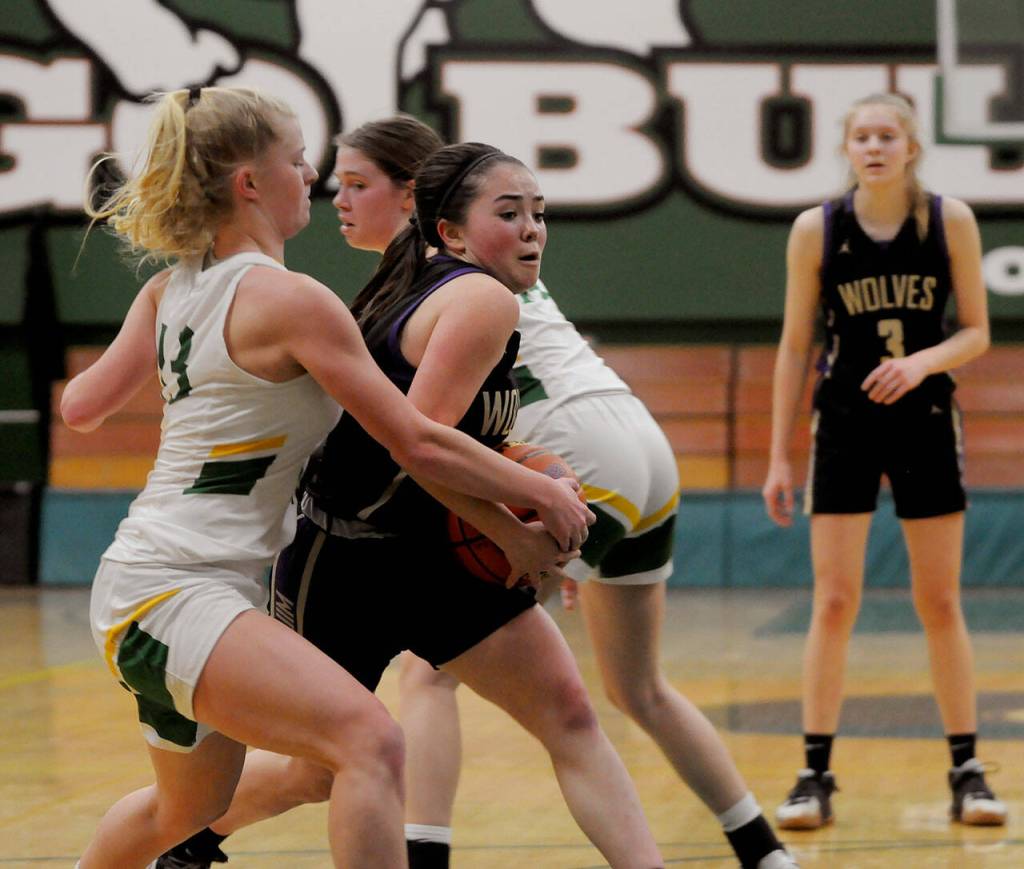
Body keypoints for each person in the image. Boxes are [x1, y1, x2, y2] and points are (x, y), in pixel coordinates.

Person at [65, 88, 593, 869]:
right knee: (370, 740)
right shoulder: (293, 300)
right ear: (250, 182)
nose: (311, 174)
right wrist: (542, 494)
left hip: (151, 580)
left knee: (188, 807)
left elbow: (80, 407)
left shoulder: (168, 290)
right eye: (297, 158)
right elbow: (416, 438)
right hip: (180, 587)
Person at [158, 134, 666, 869]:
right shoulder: (479, 298)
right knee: (317, 770)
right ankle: (185, 835)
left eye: (539, 212)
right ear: (451, 232)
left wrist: (533, 481)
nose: (531, 229)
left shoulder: (446, 289)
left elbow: (458, 444)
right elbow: (416, 446)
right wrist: (521, 523)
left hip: (438, 551)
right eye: (510, 212)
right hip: (348, 561)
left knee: (571, 716)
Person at [761, 92, 1006, 832]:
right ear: (848, 147)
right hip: (842, 422)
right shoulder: (817, 230)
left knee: (940, 600)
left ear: (910, 146)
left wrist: (923, 362)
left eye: (887, 134)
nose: (874, 145)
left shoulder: (948, 220)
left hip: (926, 420)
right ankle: (814, 773)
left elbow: (978, 333)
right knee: (834, 599)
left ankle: (967, 768)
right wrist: (777, 455)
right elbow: (795, 343)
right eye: (862, 135)